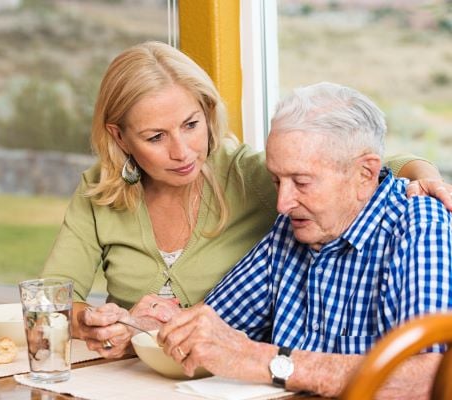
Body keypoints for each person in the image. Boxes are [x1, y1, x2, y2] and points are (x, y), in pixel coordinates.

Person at [41, 41, 452, 356]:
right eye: (155, 137)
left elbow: (356, 166)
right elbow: (50, 299)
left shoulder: (249, 174)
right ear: (120, 137)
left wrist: (426, 178)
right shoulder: (100, 189)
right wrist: (104, 322)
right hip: (141, 371)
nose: (182, 151)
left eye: (190, 125)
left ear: (207, 111)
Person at [157, 82, 452, 399]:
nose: (283, 203)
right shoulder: (295, 225)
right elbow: (212, 328)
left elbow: (430, 378)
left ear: (365, 175)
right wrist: (147, 323)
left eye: (301, 181)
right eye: (276, 180)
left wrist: (265, 361)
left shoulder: (420, 225)